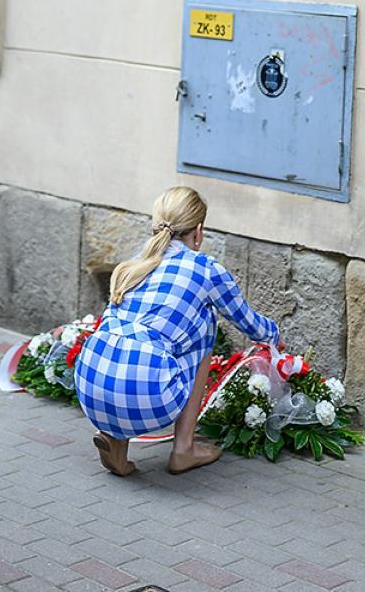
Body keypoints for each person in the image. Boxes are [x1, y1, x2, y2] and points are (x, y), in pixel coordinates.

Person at [74, 186, 280, 476]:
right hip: (148, 395)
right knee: (205, 323)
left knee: (132, 339)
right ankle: (184, 449)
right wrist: (275, 338)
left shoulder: (137, 263)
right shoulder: (205, 269)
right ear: (199, 231)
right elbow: (249, 324)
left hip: (89, 382)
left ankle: (115, 440)